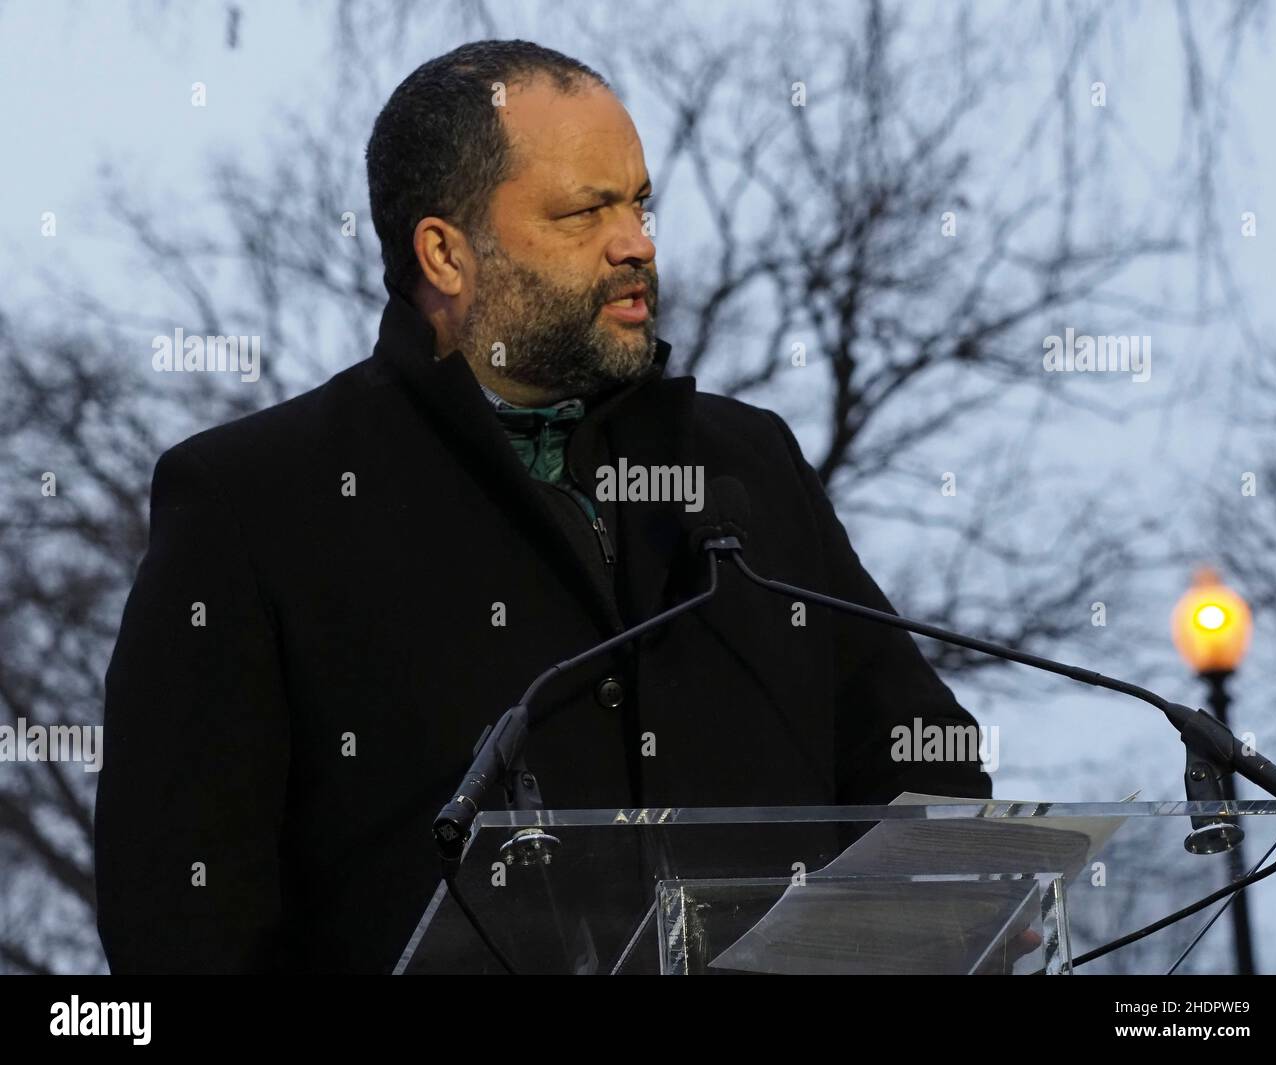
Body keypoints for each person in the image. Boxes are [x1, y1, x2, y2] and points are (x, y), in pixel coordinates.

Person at [94, 39, 991, 974]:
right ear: (445, 252)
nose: (635, 241)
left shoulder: (747, 465)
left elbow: (924, 766)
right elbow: (181, 914)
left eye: (639, 202)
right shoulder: (254, 501)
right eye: (584, 210)